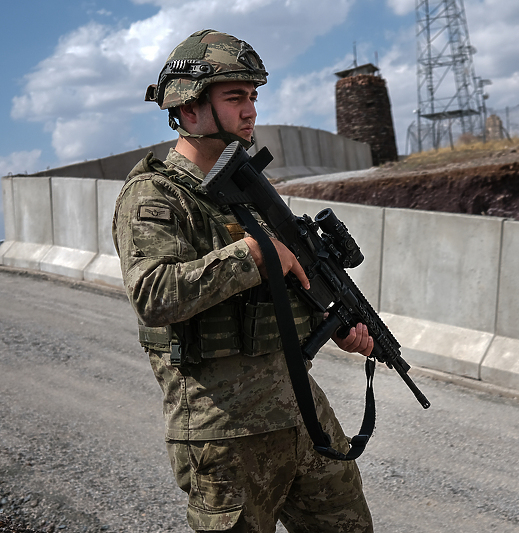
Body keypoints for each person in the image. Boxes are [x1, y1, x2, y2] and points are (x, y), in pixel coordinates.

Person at [112, 29, 374, 533]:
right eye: (235, 97)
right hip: (223, 431)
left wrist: (332, 319)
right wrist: (253, 253)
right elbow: (153, 295)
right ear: (189, 110)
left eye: (253, 96)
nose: (250, 110)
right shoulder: (156, 195)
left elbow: (286, 286)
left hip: (300, 412)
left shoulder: (251, 192)